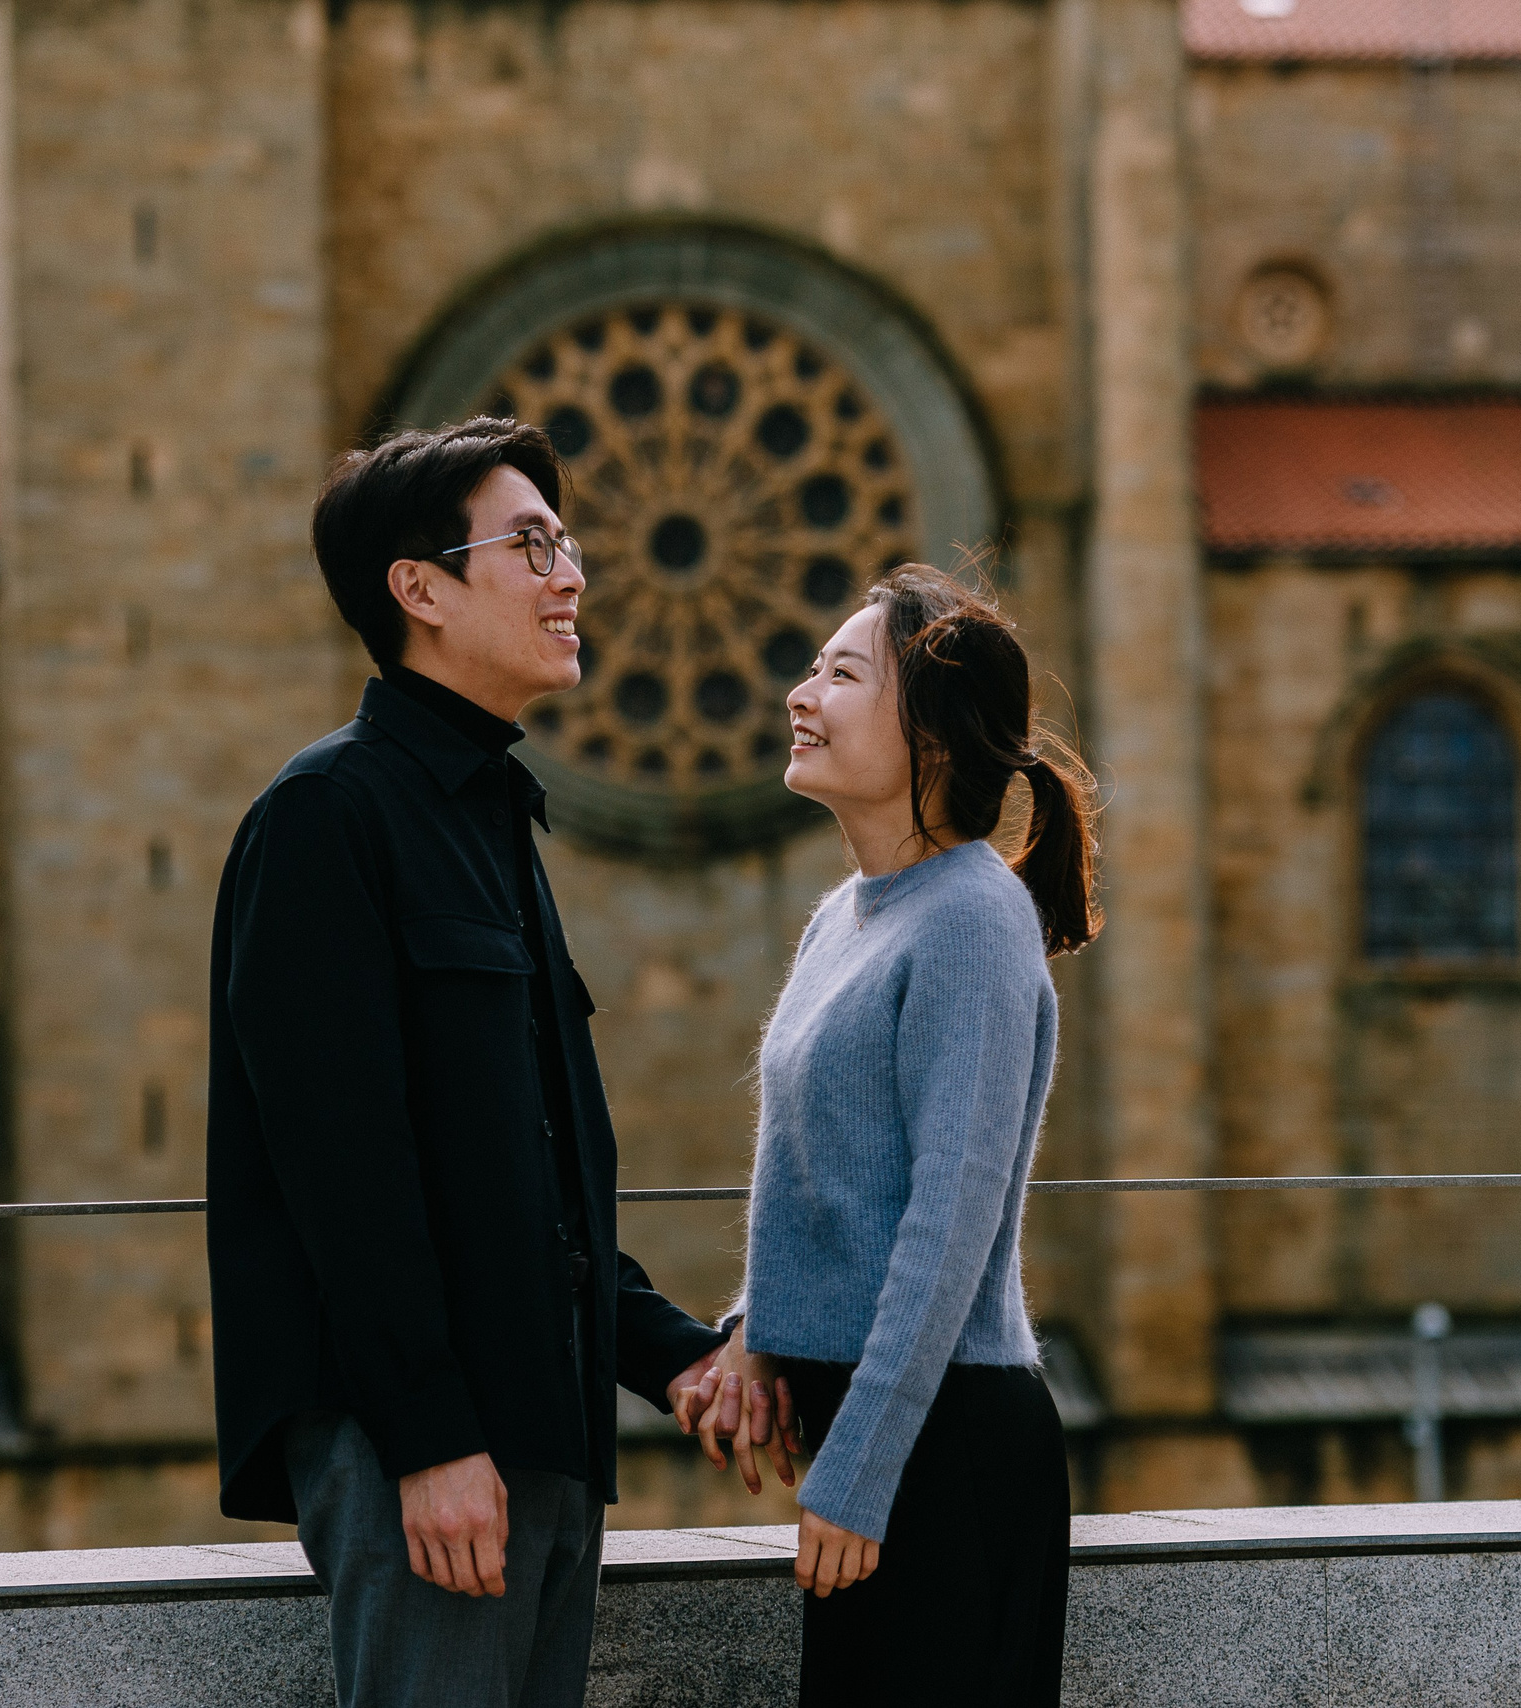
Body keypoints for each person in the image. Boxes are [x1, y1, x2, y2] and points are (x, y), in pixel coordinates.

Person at [206, 417, 729, 1708]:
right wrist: (429, 1436)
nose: (574, 577)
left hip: (542, 1426)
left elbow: (528, 1180)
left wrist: (674, 1357)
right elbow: (342, 1170)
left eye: (568, 543)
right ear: (421, 589)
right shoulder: (326, 816)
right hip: (425, 1447)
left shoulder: (494, 817)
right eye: (532, 544)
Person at [676, 566, 1099, 1707]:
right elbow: (823, 1179)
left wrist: (859, 1470)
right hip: (872, 1433)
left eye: (842, 672)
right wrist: (758, 1333)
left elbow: (946, 1220)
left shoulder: (972, 916)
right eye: (814, 667)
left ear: (933, 737)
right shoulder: (843, 916)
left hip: (942, 1449)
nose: (801, 694)